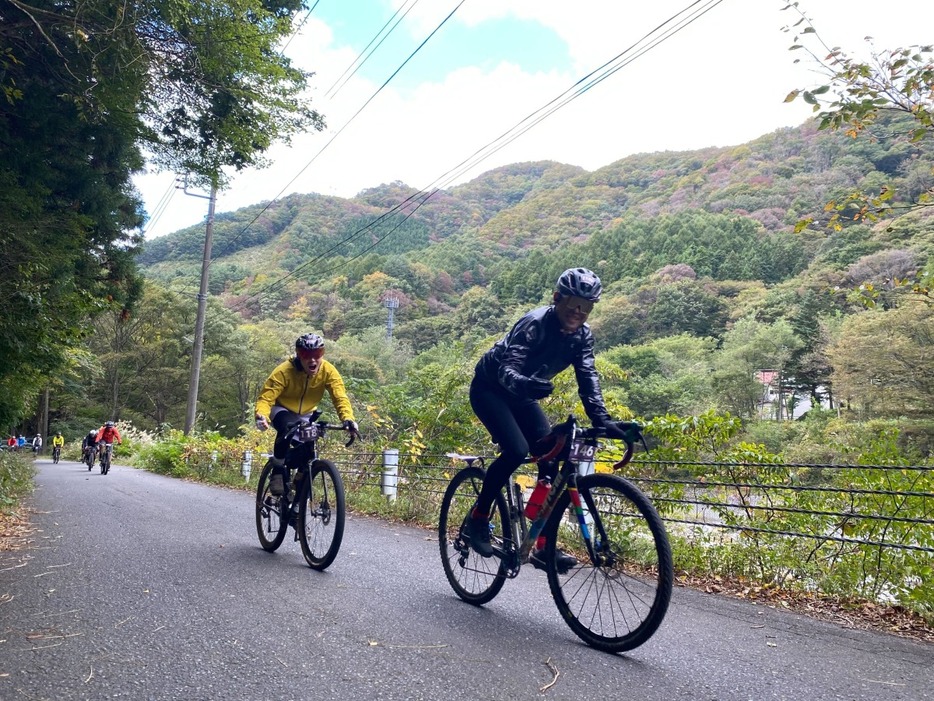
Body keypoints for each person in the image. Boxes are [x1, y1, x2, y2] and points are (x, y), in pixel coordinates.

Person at [465, 267, 635, 572]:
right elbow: (507, 368)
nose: (578, 311)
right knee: (516, 450)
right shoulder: (533, 324)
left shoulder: (582, 337)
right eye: (572, 303)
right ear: (557, 298)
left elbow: (588, 378)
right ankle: (478, 519)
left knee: (550, 456)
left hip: (522, 393)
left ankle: (543, 547)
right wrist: (526, 384)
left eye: (587, 306)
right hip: (490, 388)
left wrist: (603, 419)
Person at [255, 333, 358, 496]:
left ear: (322, 354)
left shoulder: (328, 371)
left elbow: (340, 396)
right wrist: (262, 415)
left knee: (308, 450)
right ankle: (278, 470)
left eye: (317, 355)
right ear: (298, 355)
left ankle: (300, 490)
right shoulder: (283, 371)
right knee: (287, 427)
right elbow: (266, 399)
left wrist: (348, 419)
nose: (312, 360)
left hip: (306, 413)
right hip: (281, 408)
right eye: (306, 355)